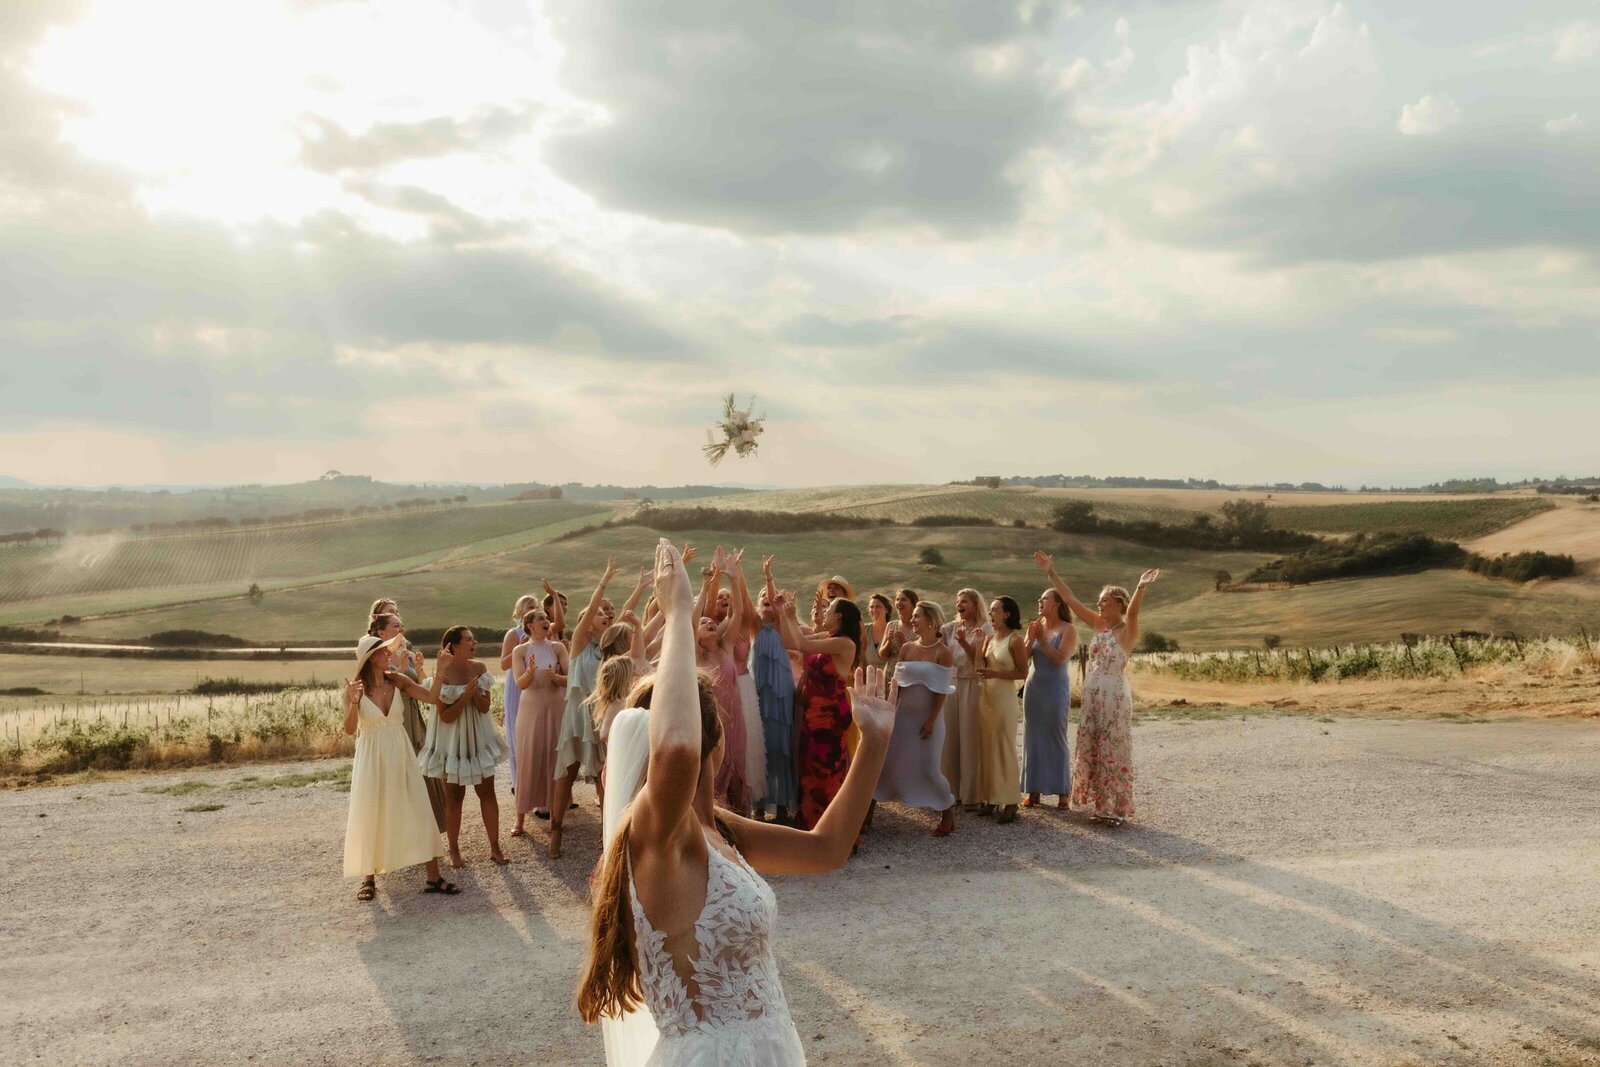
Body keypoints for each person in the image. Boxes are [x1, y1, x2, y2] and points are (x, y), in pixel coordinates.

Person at [575, 539, 894, 1066]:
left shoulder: (721, 830)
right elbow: (676, 749)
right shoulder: (658, 834)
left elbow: (827, 848)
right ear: (715, 741)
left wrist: (875, 745)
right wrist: (678, 611)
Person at [1035, 552, 1161, 824]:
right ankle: (1100, 806)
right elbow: (1070, 600)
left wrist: (1140, 586)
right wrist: (1051, 572)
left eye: (1104, 600)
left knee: (1113, 747)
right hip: (1093, 692)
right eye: (1100, 600)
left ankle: (1117, 811)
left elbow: (1135, 611)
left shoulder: (1128, 630)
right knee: (1093, 745)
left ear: (1118, 604)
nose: (1099, 604)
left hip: (1114, 693)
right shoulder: (1097, 624)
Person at [342, 634, 458, 899]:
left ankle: (433, 877)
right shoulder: (354, 689)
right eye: (384, 653)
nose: (389, 656)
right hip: (371, 756)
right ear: (371, 659)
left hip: (401, 751)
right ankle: (368, 879)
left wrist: (440, 671)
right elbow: (349, 730)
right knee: (371, 810)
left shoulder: (398, 681)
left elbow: (429, 698)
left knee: (418, 805)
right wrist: (355, 702)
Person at [552, 562, 649, 858]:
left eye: (608, 611)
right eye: (599, 611)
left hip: (603, 715)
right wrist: (603, 582)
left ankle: (611, 836)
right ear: (587, 622)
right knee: (566, 774)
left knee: (604, 778)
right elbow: (594, 610)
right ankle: (555, 832)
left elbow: (625, 618)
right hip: (577, 717)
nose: (606, 614)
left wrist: (642, 587)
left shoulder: (611, 648)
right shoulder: (580, 644)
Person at [420, 626, 510, 867]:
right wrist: (465, 697)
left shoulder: (479, 669)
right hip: (451, 743)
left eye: (474, 639)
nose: (475, 643)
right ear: (454, 646)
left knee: (487, 792)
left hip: (478, 739)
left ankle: (495, 847)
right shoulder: (442, 675)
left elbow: (484, 708)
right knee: (454, 797)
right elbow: (446, 717)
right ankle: (454, 850)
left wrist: (475, 696)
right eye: (470, 639)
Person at [777, 583, 862, 831]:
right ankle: (810, 827)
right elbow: (792, 641)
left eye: (829, 610)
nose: (824, 613)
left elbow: (803, 645)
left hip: (831, 718)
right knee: (808, 772)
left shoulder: (845, 643)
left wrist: (792, 616)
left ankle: (833, 830)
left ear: (839, 616)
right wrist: (784, 613)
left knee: (828, 774)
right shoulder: (829, 638)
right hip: (812, 715)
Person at [875, 601, 958, 836]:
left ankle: (947, 812)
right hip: (903, 718)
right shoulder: (907, 648)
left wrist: (931, 721)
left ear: (931, 620)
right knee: (889, 762)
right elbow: (897, 685)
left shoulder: (944, 652)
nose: (912, 620)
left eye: (917, 617)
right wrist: (891, 711)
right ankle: (868, 813)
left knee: (929, 768)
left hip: (928, 720)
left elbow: (941, 691)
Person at [368, 610, 445, 833]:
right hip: (393, 717)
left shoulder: (407, 652)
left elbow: (421, 685)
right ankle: (402, 829)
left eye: (402, 626)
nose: (401, 630)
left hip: (413, 713)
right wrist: (400, 668)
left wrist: (419, 669)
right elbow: (385, 684)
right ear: (381, 633)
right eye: (396, 626)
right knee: (400, 768)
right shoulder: (375, 657)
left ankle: (427, 826)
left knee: (421, 766)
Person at [694, 549, 751, 812]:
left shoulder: (726, 647)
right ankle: (713, 828)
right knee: (712, 778)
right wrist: (707, 584)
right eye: (703, 622)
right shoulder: (694, 654)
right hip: (710, 721)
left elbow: (738, 613)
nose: (709, 622)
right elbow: (691, 619)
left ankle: (742, 829)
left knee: (738, 774)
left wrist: (732, 575)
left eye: (711, 621)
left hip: (735, 719)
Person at [512, 608, 568, 836]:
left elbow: (571, 677)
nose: (547, 621)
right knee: (529, 756)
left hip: (555, 706)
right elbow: (520, 683)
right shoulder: (520, 651)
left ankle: (556, 817)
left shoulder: (558, 647)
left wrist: (556, 678)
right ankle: (520, 820)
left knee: (555, 756)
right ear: (530, 625)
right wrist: (530, 671)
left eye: (547, 618)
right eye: (541, 619)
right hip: (531, 708)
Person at [1020, 589, 1076, 809]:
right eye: (1039, 598)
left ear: (1057, 604)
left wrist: (1042, 642)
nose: (1039, 601)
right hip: (1033, 689)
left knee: (1055, 736)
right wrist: (1030, 639)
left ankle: (1063, 792)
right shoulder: (1036, 626)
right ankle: (1033, 790)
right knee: (1032, 738)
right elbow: (1023, 659)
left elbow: (1061, 659)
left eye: (1044, 599)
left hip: (1055, 689)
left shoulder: (1068, 629)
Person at [752, 558, 797, 824]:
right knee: (761, 749)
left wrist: (769, 578)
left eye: (769, 598)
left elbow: (774, 600)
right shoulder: (754, 627)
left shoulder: (781, 625)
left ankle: (781, 806)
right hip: (760, 694)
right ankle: (758, 806)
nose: (766, 600)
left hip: (781, 696)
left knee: (781, 748)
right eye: (762, 599)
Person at [976, 596, 1027, 824]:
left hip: (1005, 698)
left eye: (995, 610)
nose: (991, 614)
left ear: (1006, 614)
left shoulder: (1015, 641)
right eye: (991, 610)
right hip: (986, 697)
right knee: (987, 746)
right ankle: (991, 798)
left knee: (1004, 746)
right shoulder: (989, 639)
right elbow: (980, 666)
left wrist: (995, 675)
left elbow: (1022, 673)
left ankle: (1011, 800)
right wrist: (977, 646)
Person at [941, 588, 990, 810]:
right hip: (951, 683)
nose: (959, 605)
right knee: (950, 737)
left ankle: (971, 794)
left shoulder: (984, 629)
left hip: (971, 683)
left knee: (969, 737)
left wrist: (963, 642)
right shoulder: (949, 629)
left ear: (975, 605)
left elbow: (979, 661)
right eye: (958, 601)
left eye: (964, 602)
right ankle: (950, 790)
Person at [500, 593, 539, 787]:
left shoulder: (541, 633)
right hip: (517, 685)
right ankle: (520, 783)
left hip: (537, 685)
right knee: (518, 733)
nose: (533, 609)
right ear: (520, 612)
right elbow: (503, 664)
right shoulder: (514, 634)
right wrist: (521, 646)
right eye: (529, 606)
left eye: (536, 606)